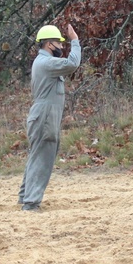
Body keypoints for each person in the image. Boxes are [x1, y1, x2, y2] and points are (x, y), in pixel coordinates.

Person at [18, 23, 81, 212]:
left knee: (37, 156)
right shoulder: (46, 63)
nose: (62, 47)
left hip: (43, 115)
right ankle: (31, 203)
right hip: (45, 116)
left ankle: (25, 197)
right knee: (42, 159)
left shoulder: (41, 62)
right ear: (49, 44)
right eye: (59, 44)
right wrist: (75, 41)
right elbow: (72, 64)